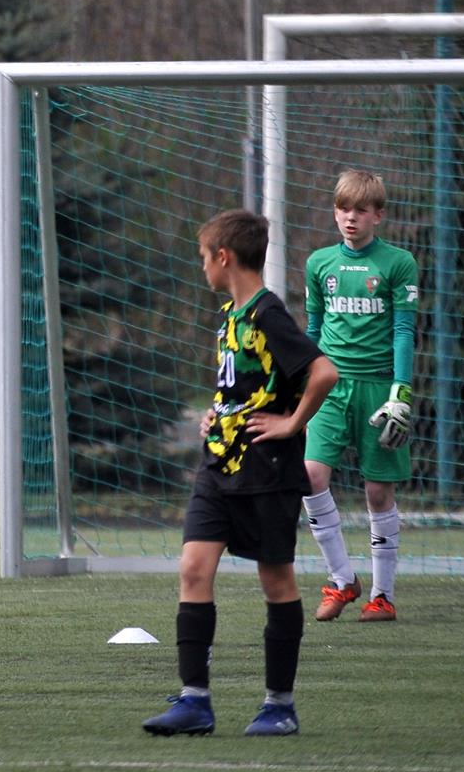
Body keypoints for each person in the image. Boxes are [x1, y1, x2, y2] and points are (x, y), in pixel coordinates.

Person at [142, 209, 338, 737]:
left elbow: (324, 371)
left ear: (223, 257)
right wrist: (217, 413)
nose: (202, 266)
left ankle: (279, 707)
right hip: (218, 466)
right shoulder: (231, 314)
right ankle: (194, 702)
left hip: (267, 471)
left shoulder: (268, 313)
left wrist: (293, 422)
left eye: (203, 257)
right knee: (193, 568)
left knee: (275, 580)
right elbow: (243, 385)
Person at [302, 169, 418, 623]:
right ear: (335, 212)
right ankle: (342, 580)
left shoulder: (398, 263)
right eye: (343, 208)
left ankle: (382, 596)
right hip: (330, 386)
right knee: (310, 476)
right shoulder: (319, 264)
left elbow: (404, 330)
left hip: (378, 389)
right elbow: (314, 329)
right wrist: (301, 380)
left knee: (377, 492)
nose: (351, 217)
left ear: (378, 216)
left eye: (361, 210)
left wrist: (400, 393)